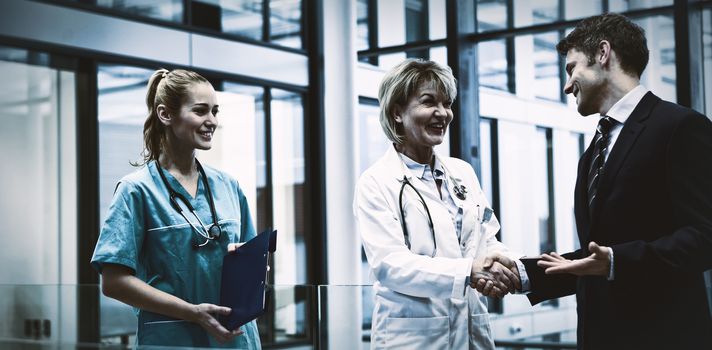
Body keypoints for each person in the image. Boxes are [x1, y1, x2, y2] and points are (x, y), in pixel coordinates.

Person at [487, 13, 712, 349]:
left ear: (603, 53)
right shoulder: (594, 150)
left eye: (571, 68)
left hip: (664, 337)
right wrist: (524, 274)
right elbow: (597, 257)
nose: (566, 85)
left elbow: (704, 237)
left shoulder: (680, 127)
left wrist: (617, 261)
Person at [353, 58, 526, 349]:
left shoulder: (462, 173)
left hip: (472, 332)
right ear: (397, 112)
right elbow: (390, 264)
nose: (442, 113)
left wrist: (499, 264)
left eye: (447, 104)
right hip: (413, 339)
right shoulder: (376, 182)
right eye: (429, 102)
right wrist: (469, 271)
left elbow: (485, 238)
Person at [91, 69, 261, 348]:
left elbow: (250, 263)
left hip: (235, 340)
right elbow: (114, 282)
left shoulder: (229, 186)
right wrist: (193, 313)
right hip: (172, 339)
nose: (212, 121)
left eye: (215, 112)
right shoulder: (136, 190)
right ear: (165, 115)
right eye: (201, 111)